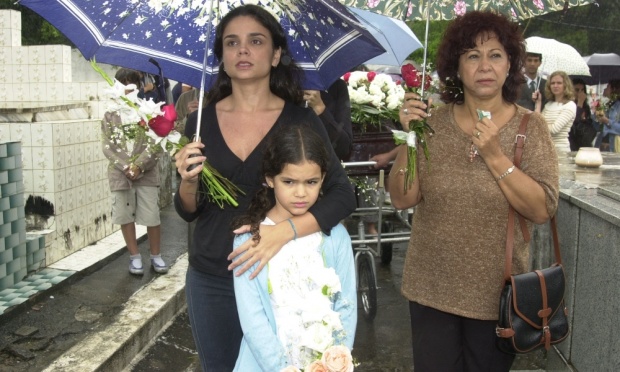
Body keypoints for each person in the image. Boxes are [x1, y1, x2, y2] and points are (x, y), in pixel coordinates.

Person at [172, 5, 356, 371]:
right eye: (231, 43)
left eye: (255, 41)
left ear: (274, 55)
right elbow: (188, 210)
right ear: (221, 57)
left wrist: (282, 234)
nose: (242, 50)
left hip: (282, 281)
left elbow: (341, 195)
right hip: (213, 277)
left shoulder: (300, 119)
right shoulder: (199, 122)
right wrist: (188, 182)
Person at [388, 11, 559, 371]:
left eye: (495, 55)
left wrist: (496, 156)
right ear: (457, 66)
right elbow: (402, 198)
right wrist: (409, 137)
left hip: (497, 299)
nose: (485, 65)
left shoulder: (531, 127)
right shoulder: (430, 123)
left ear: (510, 64)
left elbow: (542, 209)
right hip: (429, 290)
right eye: (472, 55)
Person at [231, 125, 356, 370]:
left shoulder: (336, 237)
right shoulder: (249, 240)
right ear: (270, 179)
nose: (301, 193)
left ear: (323, 179)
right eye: (289, 181)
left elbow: (346, 306)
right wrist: (282, 368)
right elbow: (253, 320)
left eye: (311, 182)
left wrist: (335, 361)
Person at [101, 68, 168, 276]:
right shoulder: (109, 115)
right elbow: (107, 147)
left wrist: (139, 165)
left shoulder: (148, 112)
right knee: (124, 215)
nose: (129, 89)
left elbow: (156, 144)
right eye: (125, 84)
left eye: (133, 85)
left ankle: (156, 255)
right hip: (120, 175)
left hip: (146, 173)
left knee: (151, 215)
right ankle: (134, 256)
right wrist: (125, 167)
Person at [303, 79, 353, 161]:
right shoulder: (281, 87)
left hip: (324, 166)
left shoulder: (336, 86)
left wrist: (319, 107)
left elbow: (343, 147)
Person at [534, 71, 576, 153]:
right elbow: (536, 122)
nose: (555, 86)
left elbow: (554, 129)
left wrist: (540, 125)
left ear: (565, 85)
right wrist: (538, 103)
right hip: (545, 150)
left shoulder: (570, 105)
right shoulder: (548, 104)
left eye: (559, 83)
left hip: (561, 150)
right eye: (552, 83)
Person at [569, 78, 597, 150]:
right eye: (577, 90)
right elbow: (573, 122)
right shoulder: (568, 104)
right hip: (572, 141)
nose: (580, 93)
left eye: (582, 90)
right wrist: (580, 103)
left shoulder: (585, 106)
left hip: (584, 141)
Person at [594, 79, 620, 152]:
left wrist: (607, 121)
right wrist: (596, 117)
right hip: (601, 143)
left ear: (614, 89)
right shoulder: (607, 104)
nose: (605, 89)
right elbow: (596, 127)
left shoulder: (618, 106)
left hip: (614, 145)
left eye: (607, 87)